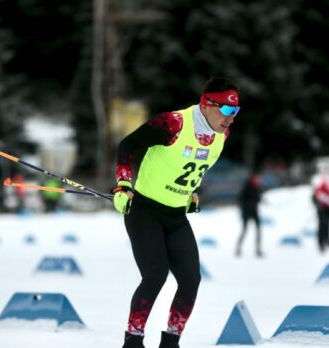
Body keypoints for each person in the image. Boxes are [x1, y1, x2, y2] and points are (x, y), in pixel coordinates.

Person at [112, 77, 239, 348]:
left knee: (191, 279)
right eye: (227, 111)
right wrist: (123, 185)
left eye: (236, 111)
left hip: (175, 216)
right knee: (155, 276)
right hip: (144, 211)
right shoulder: (173, 124)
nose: (231, 118)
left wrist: (192, 192)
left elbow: (194, 164)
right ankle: (132, 341)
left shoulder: (222, 134)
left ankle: (171, 342)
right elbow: (127, 145)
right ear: (206, 105)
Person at [235, 171, 263, 257]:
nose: (258, 180)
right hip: (246, 212)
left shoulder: (257, 187)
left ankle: (258, 250)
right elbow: (241, 199)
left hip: (254, 211)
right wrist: (248, 205)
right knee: (244, 230)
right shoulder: (246, 186)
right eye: (257, 178)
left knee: (258, 230)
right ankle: (238, 249)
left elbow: (258, 198)